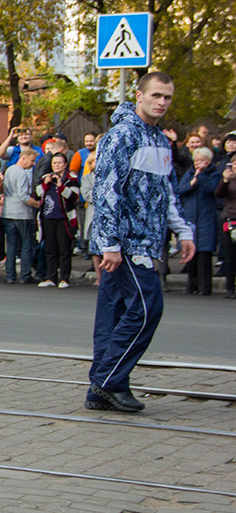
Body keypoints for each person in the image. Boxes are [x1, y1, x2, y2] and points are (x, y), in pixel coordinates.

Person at [86, 71, 196, 413]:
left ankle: (99, 389)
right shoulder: (121, 136)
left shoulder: (161, 141)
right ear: (139, 95)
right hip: (124, 244)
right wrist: (110, 244)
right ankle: (108, 380)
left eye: (167, 97)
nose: (161, 102)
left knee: (116, 314)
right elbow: (106, 192)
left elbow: (167, 193)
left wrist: (184, 231)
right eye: (156, 95)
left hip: (146, 241)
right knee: (148, 309)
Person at [177, 147, 220, 295]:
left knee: (204, 255)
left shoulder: (214, 175)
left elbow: (211, 189)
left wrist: (200, 177)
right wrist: (192, 182)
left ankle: (204, 287)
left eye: (202, 160)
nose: (198, 163)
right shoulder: (189, 174)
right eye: (196, 160)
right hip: (190, 217)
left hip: (205, 217)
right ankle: (191, 286)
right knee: (191, 254)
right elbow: (180, 190)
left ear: (208, 161)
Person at [35, 153, 80, 289]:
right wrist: (46, 184)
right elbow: (37, 193)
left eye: (60, 163)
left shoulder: (71, 179)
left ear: (65, 164)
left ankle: (65, 278)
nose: (57, 165)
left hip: (64, 219)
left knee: (64, 250)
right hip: (48, 218)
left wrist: (60, 186)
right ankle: (51, 277)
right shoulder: (46, 178)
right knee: (50, 249)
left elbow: (74, 197)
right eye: (55, 163)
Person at [1, 148, 40, 284]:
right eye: (32, 161)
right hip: (22, 213)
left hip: (8, 212)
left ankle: (10, 275)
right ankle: (25, 275)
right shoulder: (21, 173)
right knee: (26, 245)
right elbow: (23, 196)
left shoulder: (9, 170)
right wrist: (37, 204)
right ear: (23, 158)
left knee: (11, 245)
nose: (33, 164)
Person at [215, 152, 236, 298]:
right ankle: (230, 287)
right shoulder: (228, 180)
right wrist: (224, 180)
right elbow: (218, 194)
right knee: (230, 254)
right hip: (229, 218)